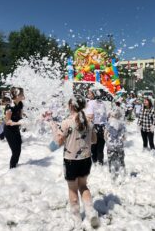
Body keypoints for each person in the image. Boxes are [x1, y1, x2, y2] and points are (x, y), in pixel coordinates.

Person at [50, 95, 99, 228]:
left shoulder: (66, 123)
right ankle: (90, 211)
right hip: (86, 159)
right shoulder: (89, 122)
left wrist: (54, 129)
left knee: (72, 189)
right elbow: (94, 140)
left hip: (71, 160)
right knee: (84, 186)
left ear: (71, 106)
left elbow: (57, 143)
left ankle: (77, 218)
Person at [85, 89, 107, 165]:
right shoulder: (102, 103)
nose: (88, 95)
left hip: (94, 127)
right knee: (100, 148)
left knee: (93, 147)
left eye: (90, 94)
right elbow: (105, 116)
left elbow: (90, 116)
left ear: (94, 95)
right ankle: (100, 163)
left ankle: (94, 163)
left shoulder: (90, 103)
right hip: (103, 127)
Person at [4, 87, 25, 169]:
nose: (23, 95)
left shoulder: (20, 104)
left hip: (16, 129)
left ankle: (15, 168)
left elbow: (20, 117)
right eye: (22, 94)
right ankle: (11, 169)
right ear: (16, 95)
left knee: (18, 150)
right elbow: (7, 121)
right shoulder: (9, 106)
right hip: (9, 131)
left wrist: (27, 121)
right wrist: (19, 123)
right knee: (15, 151)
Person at [105, 107, 126, 177]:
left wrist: (106, 140)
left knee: (110, 158)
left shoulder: (109, 123)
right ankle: (122, 169)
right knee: (121, 158)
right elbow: (124, 137)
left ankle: (111, 170)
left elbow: (105, 134)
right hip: (119, 144)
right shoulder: (122, 124)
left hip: (110, 144)